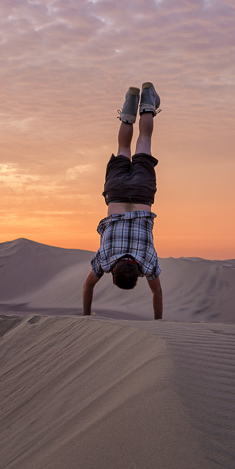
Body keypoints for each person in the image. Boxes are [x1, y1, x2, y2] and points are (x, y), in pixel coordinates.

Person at [82, 82, 163, 320]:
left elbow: (156, 291)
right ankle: (128, 113)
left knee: (144, 142)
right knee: (123, 148)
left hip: (141, 194)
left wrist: (159, 321)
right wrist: (85, 315)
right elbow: (88, 287)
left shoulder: (147, 262)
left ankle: (146, 104)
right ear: (113, 272)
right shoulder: (105, 258)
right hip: (116, 193)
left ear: (137, 272)